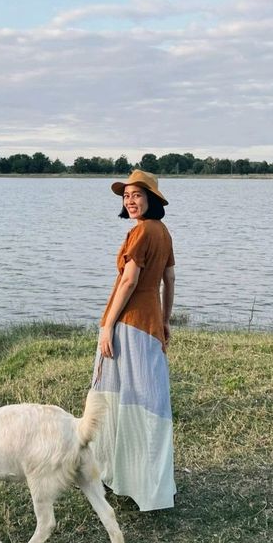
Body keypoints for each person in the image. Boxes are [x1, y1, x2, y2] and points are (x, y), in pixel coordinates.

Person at [91, 169, 176, 511]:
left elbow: (128, 283)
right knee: (147, 402)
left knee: (119, 398)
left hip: (128, 323)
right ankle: (145, 480)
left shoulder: (141, 232)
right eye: (126, 196)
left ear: (151, 199)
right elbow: (169, 280)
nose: (130, 201)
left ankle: (116, 473)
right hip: (150, 323)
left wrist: (107, 325)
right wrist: (165, 320)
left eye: (137, 195)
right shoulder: (164, 233)